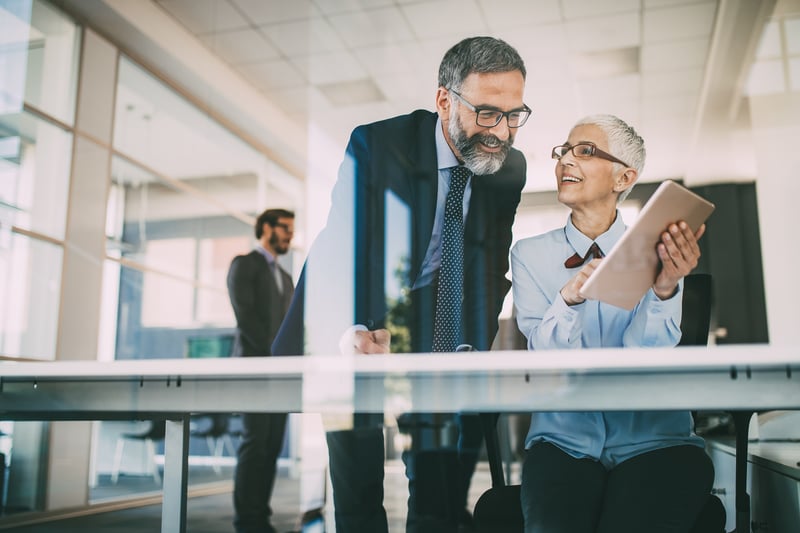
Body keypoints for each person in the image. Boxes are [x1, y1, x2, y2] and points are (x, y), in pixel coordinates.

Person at [272, 37, 529, 533]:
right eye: (488, 113)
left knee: (439, 483)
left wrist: (468, 347)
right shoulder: (378, 144)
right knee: (358, 475)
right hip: (360, 307)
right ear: (444, 100)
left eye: (515, 114)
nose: (501, 131)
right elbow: (341, 248)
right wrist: (352, 330)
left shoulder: (507, 168)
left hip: (436, 315)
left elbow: (490, 265)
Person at [510, 114, 714, 533]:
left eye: (584, 151)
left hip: (657, 443)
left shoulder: (660, 246)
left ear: (625, 176)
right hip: (563, 444)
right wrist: (567, 300)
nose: (566, 159)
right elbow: (545, 360)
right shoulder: (528, 254)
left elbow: (645, 356)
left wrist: (665, 288)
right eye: (564, 150)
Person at [227, 208, 295, 533]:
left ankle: (260, 518)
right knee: (255, 443)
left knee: (271, 446)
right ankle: (247, 522)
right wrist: (276, 355)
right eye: (284, 228)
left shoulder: (285, 277)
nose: (290, 236)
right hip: (253, 372)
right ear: (266, 228)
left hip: (280, 376)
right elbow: (247, 318)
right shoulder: (245, 264)